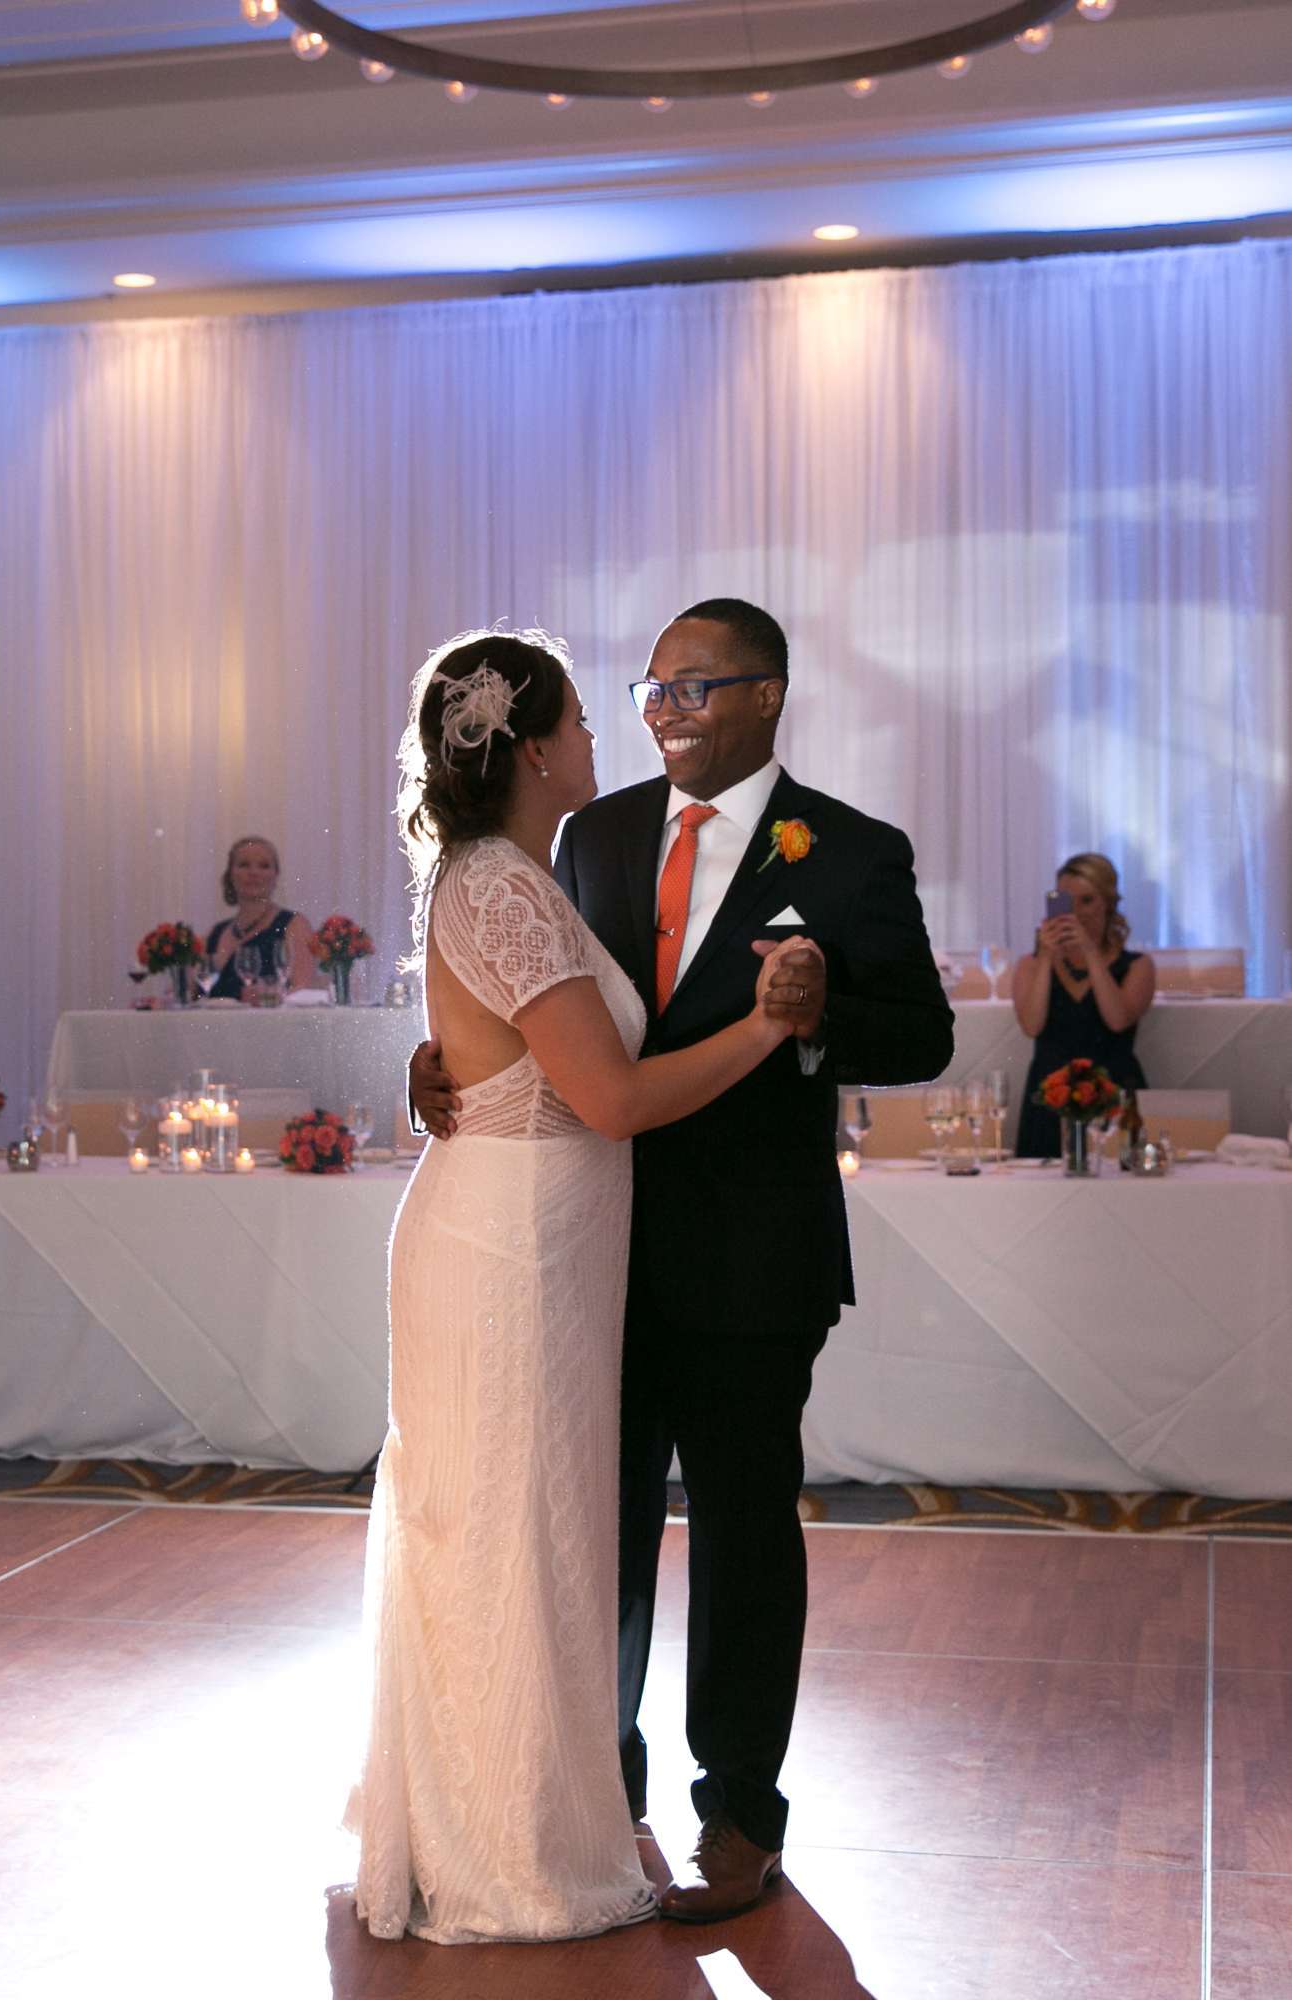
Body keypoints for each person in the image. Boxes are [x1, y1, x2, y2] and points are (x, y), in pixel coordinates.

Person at [413, 598, 954, 1922]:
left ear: (767, 695)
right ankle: (597, 1796)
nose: (663, 710)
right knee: (585, 1534)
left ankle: (740, 1814)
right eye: (649, 688)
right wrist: (451, 1064)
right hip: (577, 1258)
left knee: (741, 1535)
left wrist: (817, 1017)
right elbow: (541, 1007)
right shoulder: (587, 834)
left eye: (693, 686)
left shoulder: (848, 849)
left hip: (749, 1257)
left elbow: (923, 1034)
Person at [347, 628, 816, 1945]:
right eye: (587, 716)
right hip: (510, 1254)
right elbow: (602, 1093)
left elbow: (511, 1040)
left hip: (576, 1253)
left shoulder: (530, 867)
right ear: (533, 747)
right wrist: (763, 1025)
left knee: (528, 1529)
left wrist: (450, 1068)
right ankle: (503, 1844)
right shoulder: (509, 879)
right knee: (506, 1531)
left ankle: (514, 1817)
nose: (613, 730)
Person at [1012, 851, 1156, 1157]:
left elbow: (1118, 1019)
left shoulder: (1138, 966)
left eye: (1087, 900)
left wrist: (1090, 951)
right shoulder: (1030, 965)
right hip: (1050, 1093)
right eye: (1066, 901)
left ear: (1108, 903)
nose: (1076, 912)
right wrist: (1047, 956)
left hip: (1113, 1090)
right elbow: (1031, 1025)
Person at [204, 836, 320, 998]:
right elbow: (193, 994)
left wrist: (269, 997)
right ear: (230, 874)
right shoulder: (214, 933)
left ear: (276, 875)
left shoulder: (294, 924)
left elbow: (303, 990)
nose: (254, 872)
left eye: (264, 866)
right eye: (244, 865)